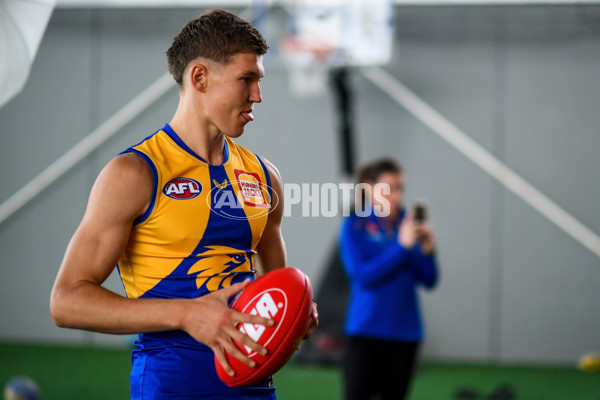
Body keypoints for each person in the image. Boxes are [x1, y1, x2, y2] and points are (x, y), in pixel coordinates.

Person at [50, 9, 318, 400]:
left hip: (254, 386)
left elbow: (273, 290)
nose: (258, 95)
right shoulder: (134, 173)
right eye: (247, 79)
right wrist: (187, 314)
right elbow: (67, 301)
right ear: (199, 78)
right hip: (171, 386)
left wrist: (298, 314)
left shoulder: (264, 176)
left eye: (259, 81)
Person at [338, 158, 438, 400]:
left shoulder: (409, 223)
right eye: (389, 188)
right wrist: (402, 248)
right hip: (366, 331)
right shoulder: (355, 225)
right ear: (370, 188)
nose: (396, 195)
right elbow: (362, 277)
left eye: (400, 188)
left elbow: (429, 279)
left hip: (406, 334)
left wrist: (428, 251)